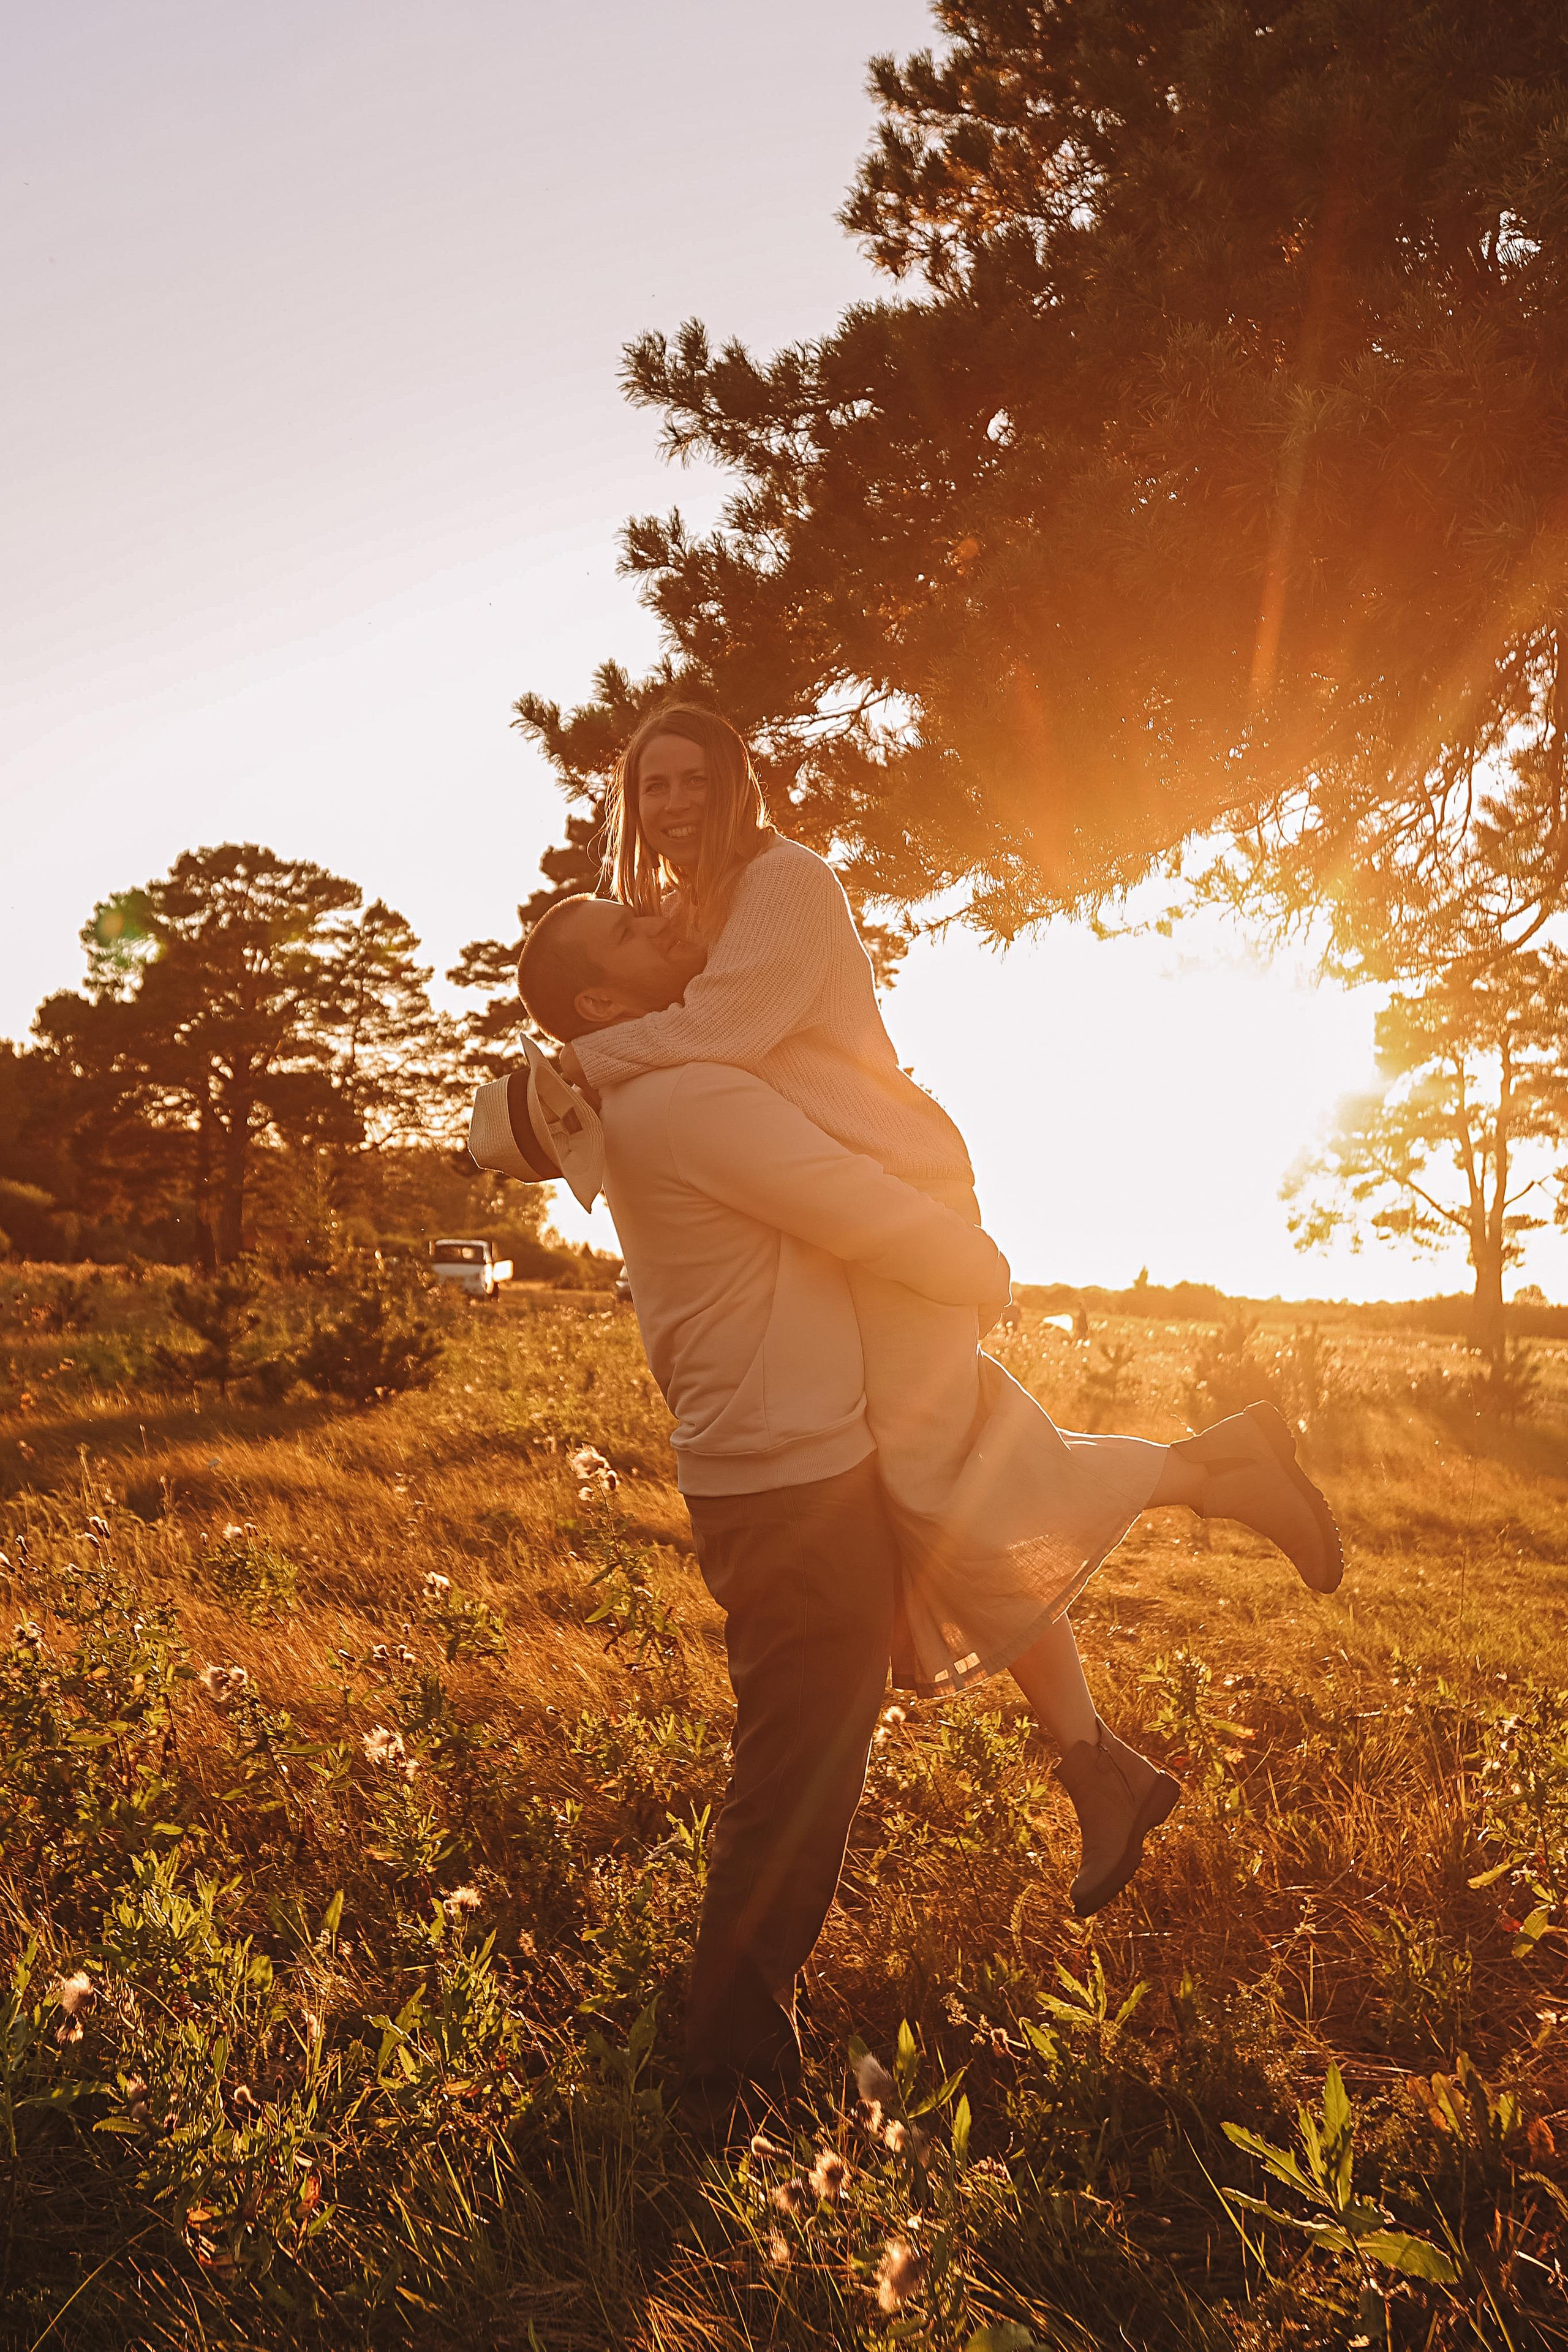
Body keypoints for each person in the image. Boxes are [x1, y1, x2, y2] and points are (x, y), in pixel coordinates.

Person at [513, 835, 1343, 1917]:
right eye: (629, 929)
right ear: (597, 999)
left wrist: (971, 1263)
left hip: (907, 1204)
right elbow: (559, 1111)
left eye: (649, 904)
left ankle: (1209, 1485)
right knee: (942, 1505)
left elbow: (817, 1160)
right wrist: (572, 1070)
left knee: (944, 1489)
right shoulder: (676, 1055)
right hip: (879, 1236)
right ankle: (1102, 1757)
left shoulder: (764, 902)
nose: (656, 915)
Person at [467, 1027, 1012, 2135]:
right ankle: (730, 2079)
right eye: (631, 941)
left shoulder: (650, 1114)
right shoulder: (691, 1099)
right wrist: (978, 1268)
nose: (666, 941)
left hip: (760, 1475)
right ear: (598, 999)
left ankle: (736, 2044)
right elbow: (853, 1203)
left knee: (798, 1756)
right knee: (797, 1776)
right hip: (797, 1486)